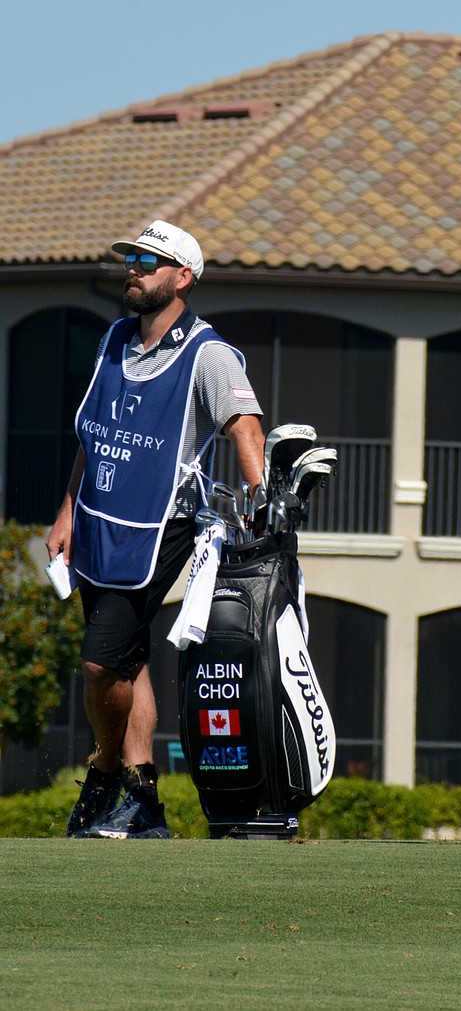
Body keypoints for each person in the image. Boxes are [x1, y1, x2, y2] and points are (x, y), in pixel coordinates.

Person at [47, 220, 266, 839]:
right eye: (132, 258)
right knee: (128, 661)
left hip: (160, 529)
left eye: (149, 259)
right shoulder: (114, 339)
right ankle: (144, 801)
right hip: (95, 524)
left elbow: (245, 428)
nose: (134, 268)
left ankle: (103, 770)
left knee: (99, 665)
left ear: (183, 277)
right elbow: (94, 434)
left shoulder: (210, 354)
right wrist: (66, 512)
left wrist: (260, 512)